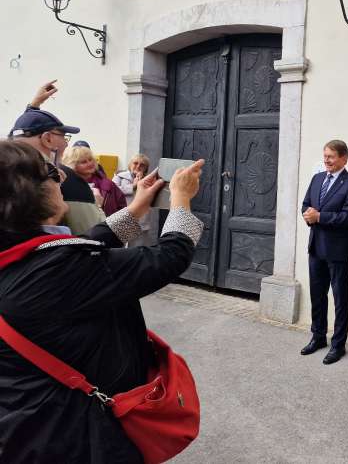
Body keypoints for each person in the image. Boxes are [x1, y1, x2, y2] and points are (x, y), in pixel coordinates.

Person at [0, 140, 205, 462]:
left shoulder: (20, 255)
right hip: (71, 433)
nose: (62, 178)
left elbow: (83, 246)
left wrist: (138, 207)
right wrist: (181, 200)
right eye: (51, 172)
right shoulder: (55, 271)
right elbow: (169, 256)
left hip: (26, 423)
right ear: (27, 193)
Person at [8, 82, 106, 234]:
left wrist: (32, 108)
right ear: (47, 139)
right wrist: (98, 206)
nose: (67, 145)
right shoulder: (64, 179)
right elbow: (93, 238)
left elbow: (15, 140)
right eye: (64, 137)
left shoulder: (8, 170)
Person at [300, 140, 348, 364]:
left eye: (331, 156)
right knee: (317, 295)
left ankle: (338, 345)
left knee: (340, 299)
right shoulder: (317, 178)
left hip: (338, 251)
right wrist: (308, 215)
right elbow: (306, 204)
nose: (326, 160)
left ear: (344, 158)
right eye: (325, 156)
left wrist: (320, 217)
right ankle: (318, 337)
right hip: (316, 246)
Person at [61, 145, 127, 218]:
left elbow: (123, 209)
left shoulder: (108, 184)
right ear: (73, 165)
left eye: (90, 159)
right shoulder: (66, 186)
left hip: (107, 228)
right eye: (83, 162)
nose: (89, 163)